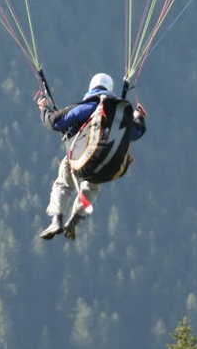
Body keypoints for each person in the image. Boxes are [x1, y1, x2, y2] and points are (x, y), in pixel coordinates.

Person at [36, 72, 146, 240]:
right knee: (94, 180)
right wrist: (138, 118)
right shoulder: (120, 115)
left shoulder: (89, 106)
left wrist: (44, 108)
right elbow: (137, 132)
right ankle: (76, 219)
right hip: (112, 171)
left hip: (83, 161)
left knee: (64, 179)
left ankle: (56, 219)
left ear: (91, 88)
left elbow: (55, 122)